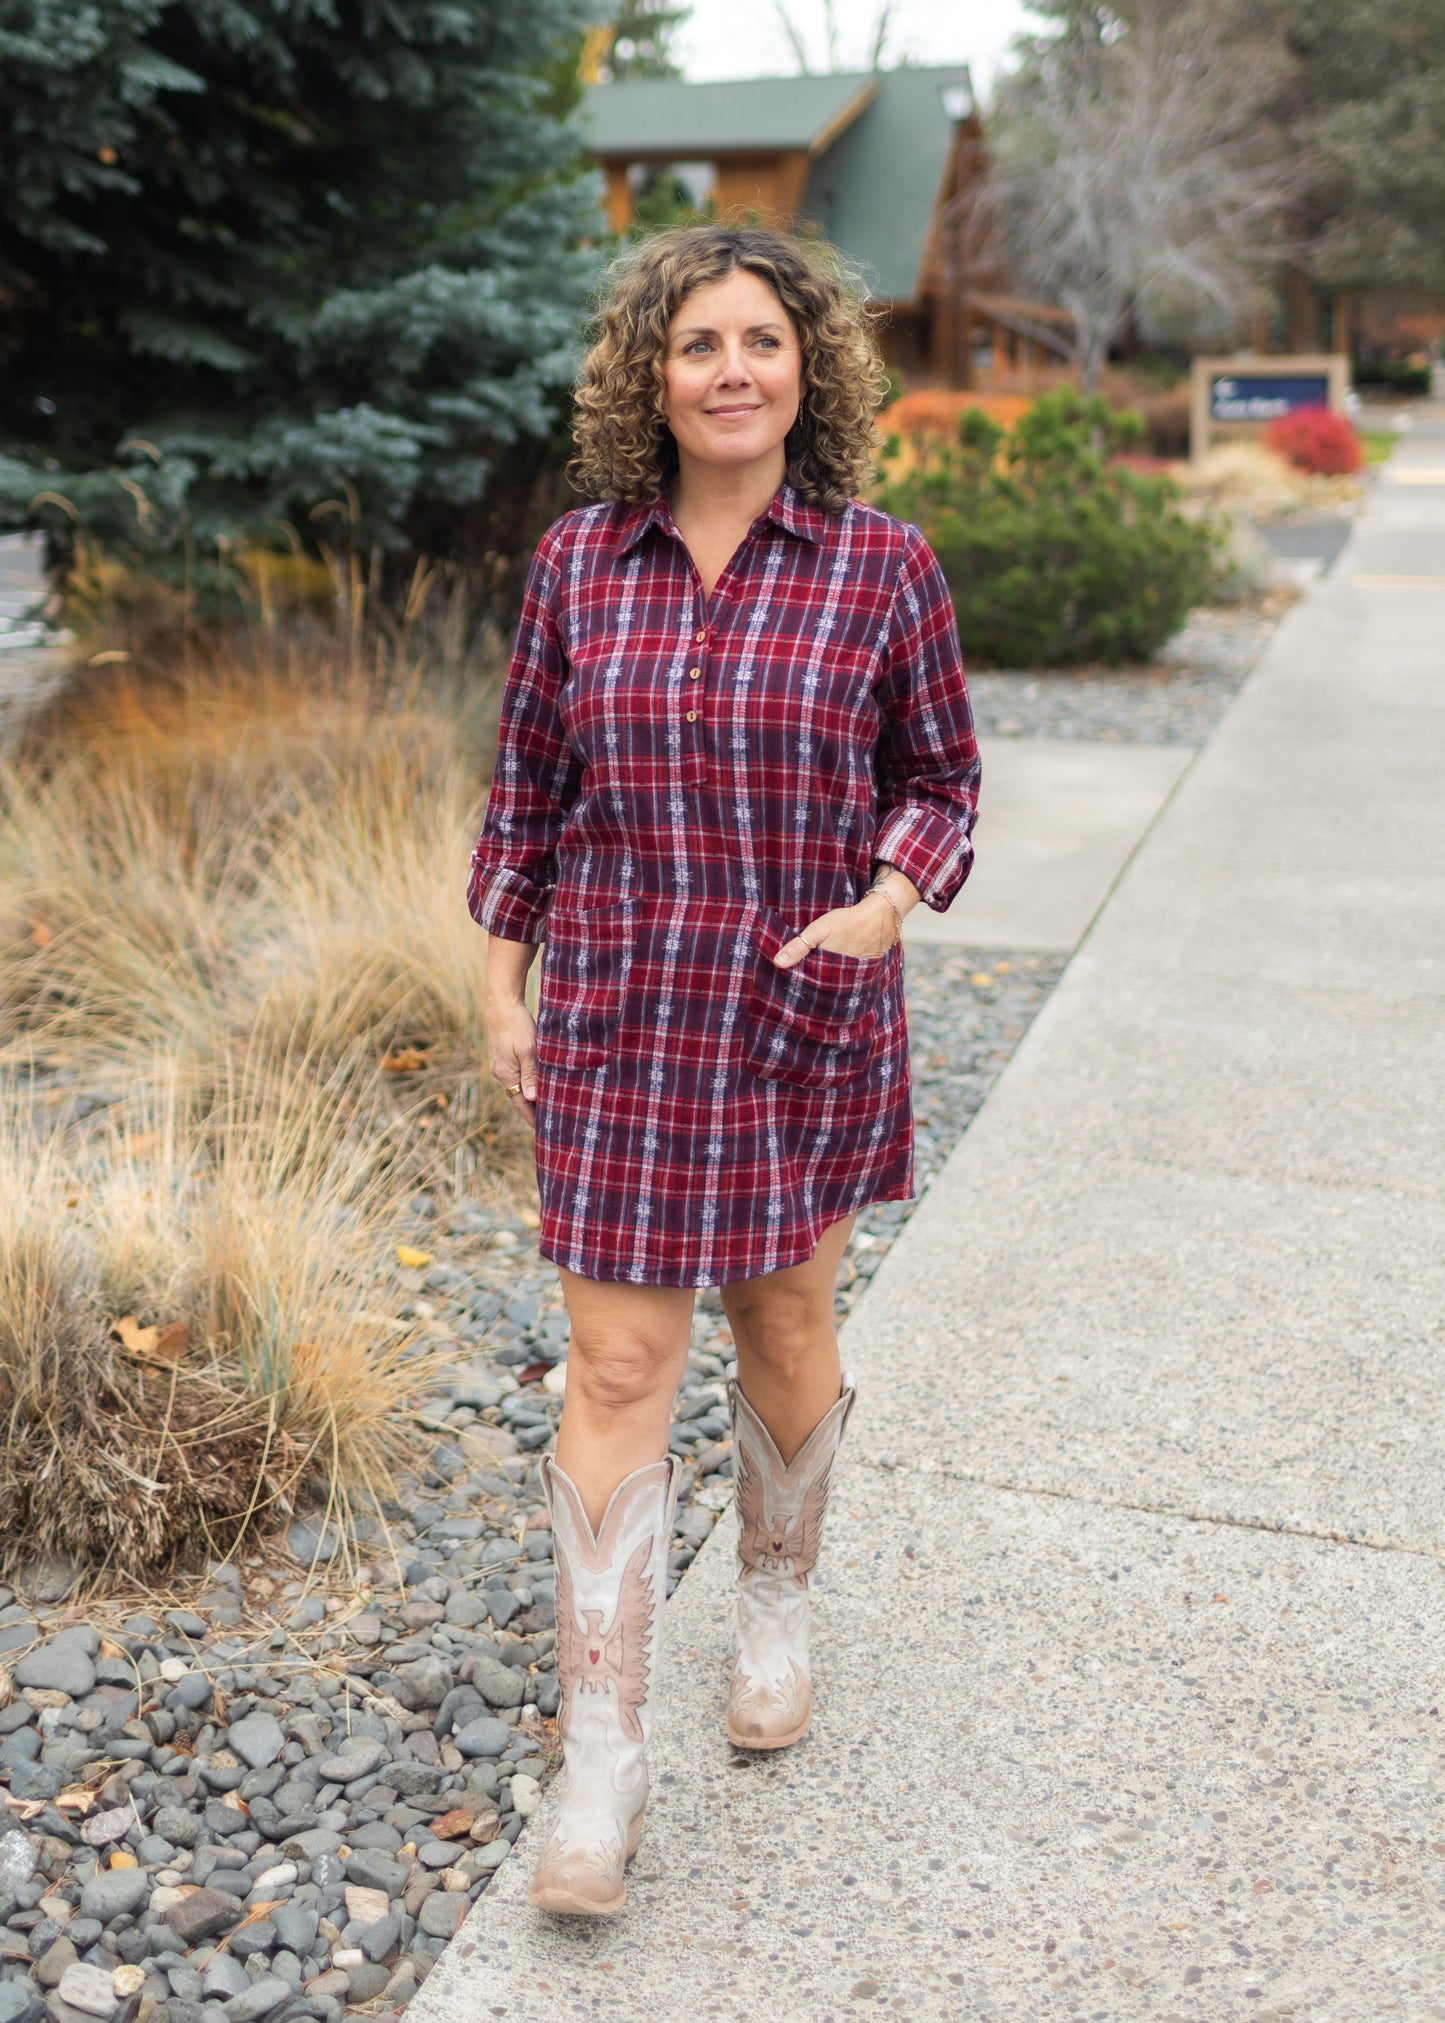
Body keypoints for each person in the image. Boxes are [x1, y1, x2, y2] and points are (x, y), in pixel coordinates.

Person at [467, 223, 979, 1917]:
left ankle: (769, 1606)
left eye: (763, 340)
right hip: (620, 1010)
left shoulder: (879, 566)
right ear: (653, 377)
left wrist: (887, 902)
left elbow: (941, 778)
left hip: (794, 1011)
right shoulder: (578, 566)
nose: (734, 369)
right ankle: (599, 1767)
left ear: (807, 365)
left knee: (783, 1324)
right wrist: (500, 972)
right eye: (699, 345)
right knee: (611, 1374)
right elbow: (528, 785)